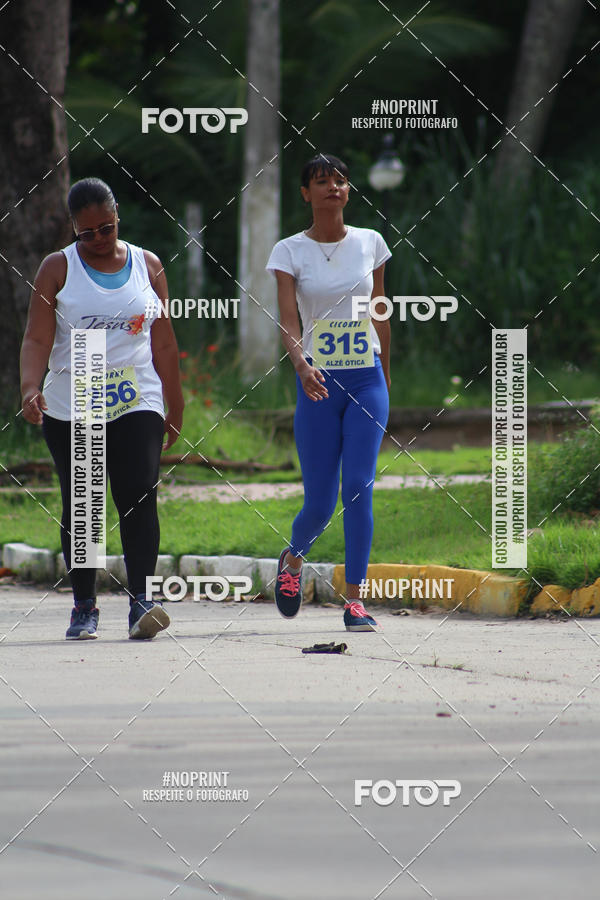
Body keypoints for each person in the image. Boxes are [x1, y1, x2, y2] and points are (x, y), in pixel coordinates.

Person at [20, 177, 184, 641]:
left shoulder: (147, 265)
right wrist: (31, 386)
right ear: (73, 228)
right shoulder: (58, 268)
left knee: (138, 493)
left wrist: (176, 401)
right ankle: (84, 606)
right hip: (76, 396)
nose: (96, 239)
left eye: (105, 229)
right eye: (85, 232)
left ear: (118, 219)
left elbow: (164, 341)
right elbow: (36, 336)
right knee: (86, 503)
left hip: (137, 393)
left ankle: (141, 604)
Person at [266, 153, 391, 632]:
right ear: (306, 193)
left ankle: (355, 601)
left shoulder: (371, 243)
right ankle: (293, 561)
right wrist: (300, 363)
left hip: (366, 379)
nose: (333, 188)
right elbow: (288, 317)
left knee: (358, 487)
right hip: (318, 385)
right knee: (319, 503)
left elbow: (380, 309)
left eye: (340, 181)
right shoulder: (288, 251)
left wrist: (384, 373)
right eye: (322, 181)